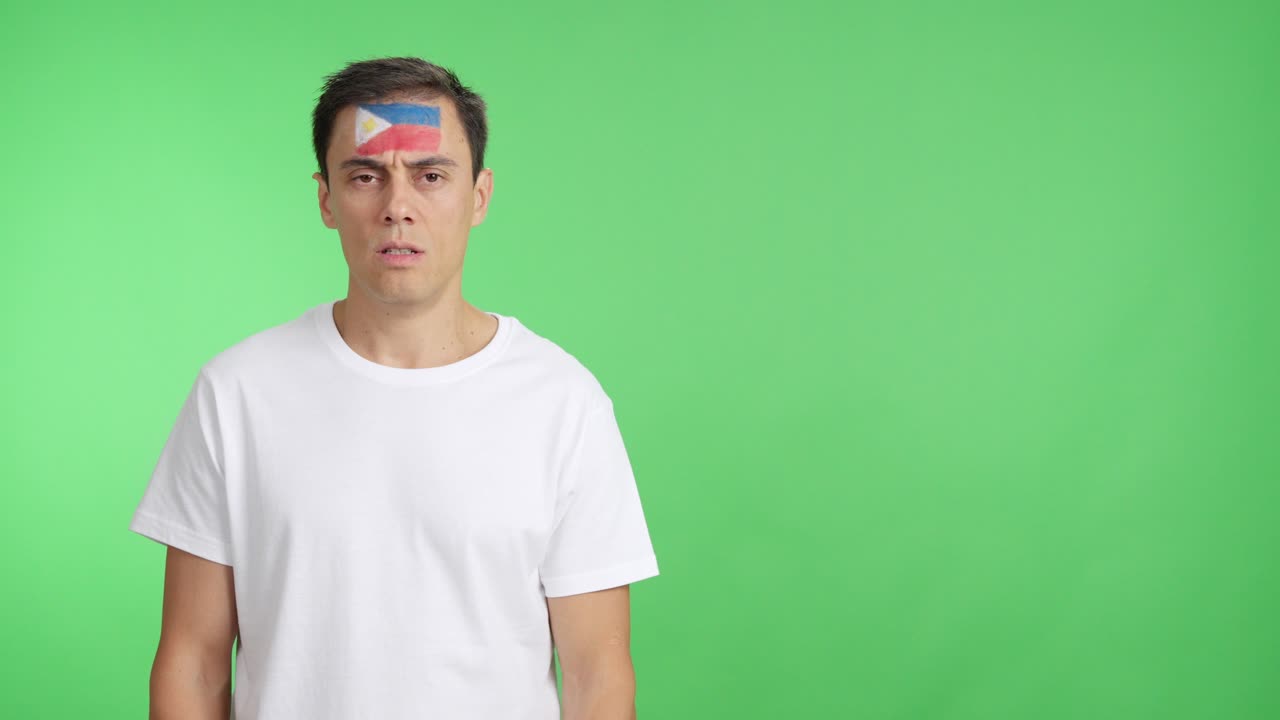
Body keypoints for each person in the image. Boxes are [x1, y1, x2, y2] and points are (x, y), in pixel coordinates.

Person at [129, 56, 660, 720]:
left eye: (430, 176)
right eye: (365, 176)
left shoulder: (563, 403)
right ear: (326, 198)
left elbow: (596, 676)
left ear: (479, 196)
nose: (397, 208)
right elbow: (192, 664)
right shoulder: (237, 393)